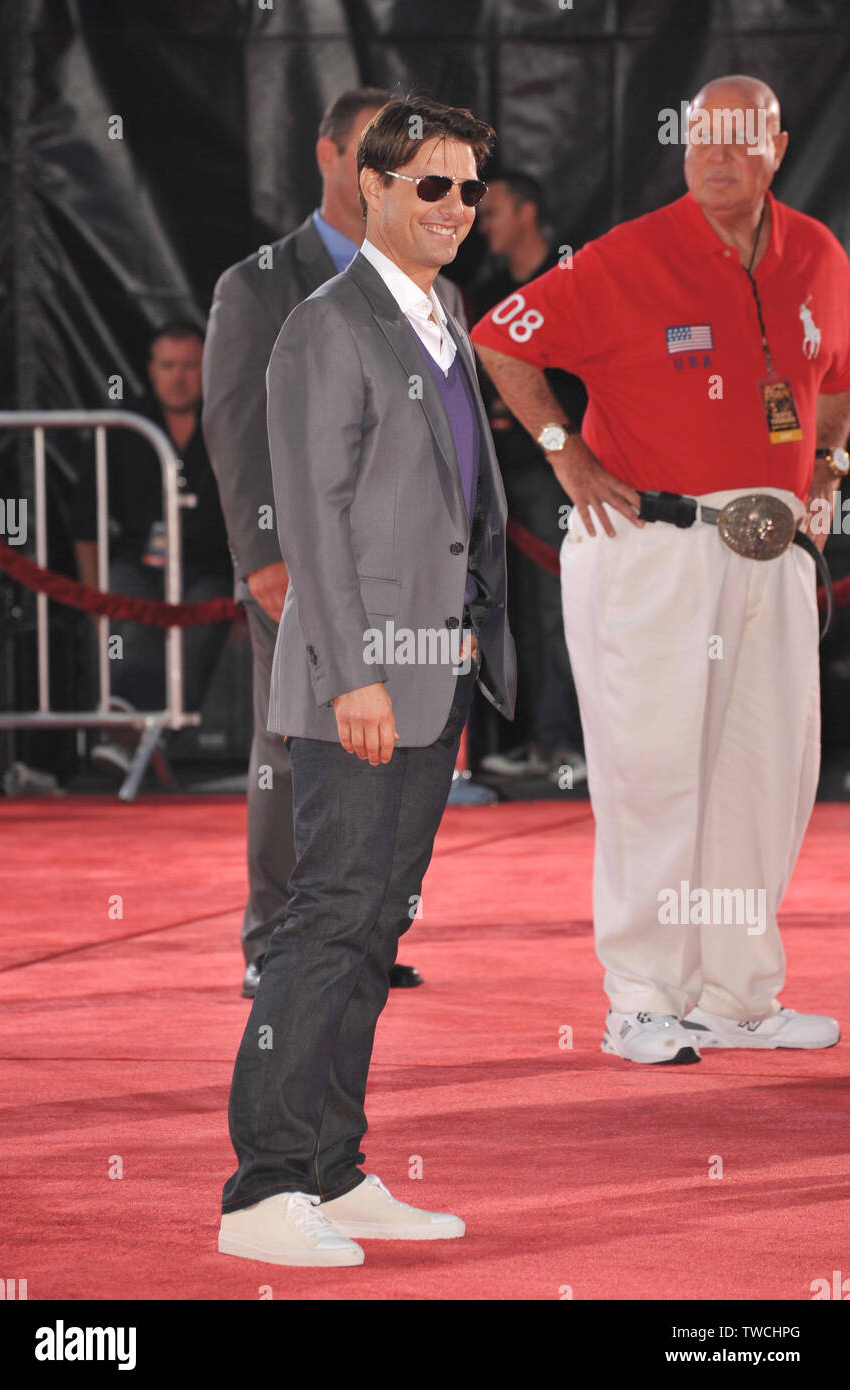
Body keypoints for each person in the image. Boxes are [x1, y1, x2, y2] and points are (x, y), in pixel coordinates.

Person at [472, 74, 850, 1064]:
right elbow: (498, 339)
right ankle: (640, 996)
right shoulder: (629, 254)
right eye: (698, 141)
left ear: (777, 140)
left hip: (772, 552)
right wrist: (563, 448)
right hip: (652, 545)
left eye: (737, 140)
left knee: (767, 777)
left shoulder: (815, 250)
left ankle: (737, 994)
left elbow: (838, 378)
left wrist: (830, 468)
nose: (714, 158)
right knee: (654, 772)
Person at [218, 96, 515, 1267]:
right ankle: (263, 1186)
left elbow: (448, 509)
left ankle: (332, 1171)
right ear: (373, 190)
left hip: (430, 674)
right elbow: (314, 515)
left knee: (372, 923)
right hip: (362, 686)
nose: (453, 207)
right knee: (327, 919)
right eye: (428, 186)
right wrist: (353, 674)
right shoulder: (321, 326)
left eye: (467, 188)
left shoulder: (441, 311)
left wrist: (466, 630)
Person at [202, 88, 467, 997]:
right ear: (331, 159)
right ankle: (273, 942)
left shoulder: (436, 287)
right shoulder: (257, 285)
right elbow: (234, 431)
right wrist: (262, 557)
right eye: (377, 152)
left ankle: (363, 933)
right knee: (292, 747)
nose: (404, 175)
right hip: (298, 566)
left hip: (415, 584)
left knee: (399, 747)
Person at [72, 323, 233, 774]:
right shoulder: (125, 427)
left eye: (189, 366)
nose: (179, 377)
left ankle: (131, 739)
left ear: (206, 369)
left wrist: (248, 592)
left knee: (201, 615)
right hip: (138, 565)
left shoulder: (229, 426)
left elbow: (256, 515)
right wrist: (92, 600)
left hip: (209, 572)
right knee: (124, 603)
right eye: (167, 366)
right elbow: (84, 524)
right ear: (150, 370)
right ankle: (137, 736)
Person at [471, 174, 587, 785]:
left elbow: (589, 381)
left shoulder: (570, 284)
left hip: (557, 475)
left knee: (556, 610)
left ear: (527, 211)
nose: (483, 223)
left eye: (493, 212)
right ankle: (526, 739)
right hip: (494, 478)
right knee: (503, 610)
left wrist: (554, 433)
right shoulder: (486, 291)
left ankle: (564, 742)